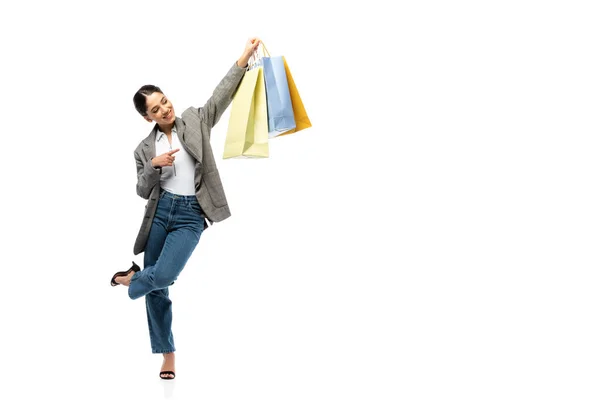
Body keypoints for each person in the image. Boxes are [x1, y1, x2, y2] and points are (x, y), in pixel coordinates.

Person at [110, 37, 261, 380]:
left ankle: (133, 280)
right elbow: (140, 189)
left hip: (191, 215)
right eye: (155, 109)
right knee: (159, 289)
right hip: (160, 214)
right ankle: (167, 354)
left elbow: (219, 97)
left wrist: (243, 58)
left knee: (162, 276)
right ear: (145, 116)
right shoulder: (143, 148)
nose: (164, 109)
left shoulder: (193, 120)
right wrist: (154, 165)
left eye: (164, 101)